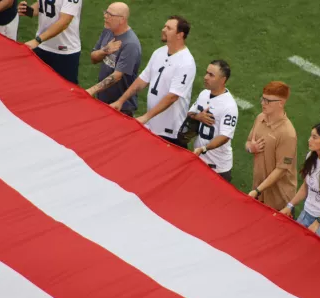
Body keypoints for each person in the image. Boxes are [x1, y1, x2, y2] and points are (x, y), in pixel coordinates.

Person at [110, 15, 196, 148]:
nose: (163, 29)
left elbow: (172, 96)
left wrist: (145, 117)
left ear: (180, 35)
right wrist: (121, 101)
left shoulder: (186, 63)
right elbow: (142, 80)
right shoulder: (159, 53)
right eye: (164, 26)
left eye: (169, 28)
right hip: (152, 125)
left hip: (170, 132)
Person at [246, 81, 297, 211]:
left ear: (281, 103)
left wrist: (258, 190)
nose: (262, 103)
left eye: (268, 101)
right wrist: (251, 148)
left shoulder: (287, 133)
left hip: (278, 200)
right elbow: (248, 143)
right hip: (259, 192)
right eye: (262, 99)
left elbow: (281, 170)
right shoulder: (260, 118)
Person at [86, 2, 141, 117]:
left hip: (121, 107)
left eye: (110, 15)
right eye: (106, 12)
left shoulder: (131, 44)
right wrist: (104, 51)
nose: (105, 16)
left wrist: (92, 90)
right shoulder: (108, 30)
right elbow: (93, 58)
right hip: (103, 100)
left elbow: (117, 76)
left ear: (122, 19)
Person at [187, 60, 237, 182]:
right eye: (206, 73)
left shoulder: (229, 106)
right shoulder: (204, 94)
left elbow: (225, 136)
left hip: (218, 168)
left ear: (222, 80)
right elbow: (190, 113)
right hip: (199, 159)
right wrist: (198, 117)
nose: (205, 77)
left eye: (211, 75)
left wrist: (204, 148)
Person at [18, 0, 83, 84]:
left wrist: (38, 40)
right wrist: (28, 10)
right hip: (42, 46)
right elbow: (43, 4)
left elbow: (64, 22)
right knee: (38, 86)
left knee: (64, 92)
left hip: (64, 52)